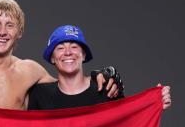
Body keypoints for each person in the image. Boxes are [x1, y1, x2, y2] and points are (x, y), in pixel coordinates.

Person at [28, 25, 171, 110]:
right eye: (60, 48)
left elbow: (127, 124)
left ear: (83, 55)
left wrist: (153, 103)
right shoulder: (40, 95)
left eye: (74, 46)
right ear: (52, 57)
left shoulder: (106, 90)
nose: (68, 52)